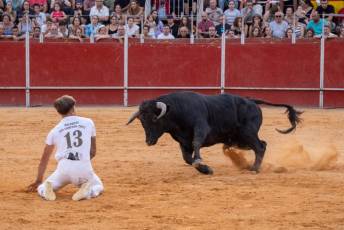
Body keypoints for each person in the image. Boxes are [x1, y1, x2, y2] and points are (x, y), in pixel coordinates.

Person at [27, 95, 104, 201]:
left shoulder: (55, 130)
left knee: (43, 186)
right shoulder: (88, 122)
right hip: (83, 166)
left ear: (58, 112)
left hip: (63, 168)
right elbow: (93, 151)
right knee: (98, 186)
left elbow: (44, 160)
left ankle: (45, 190)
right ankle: (88, 191)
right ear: (73, 108)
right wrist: (81, 163)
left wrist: (38, 180)